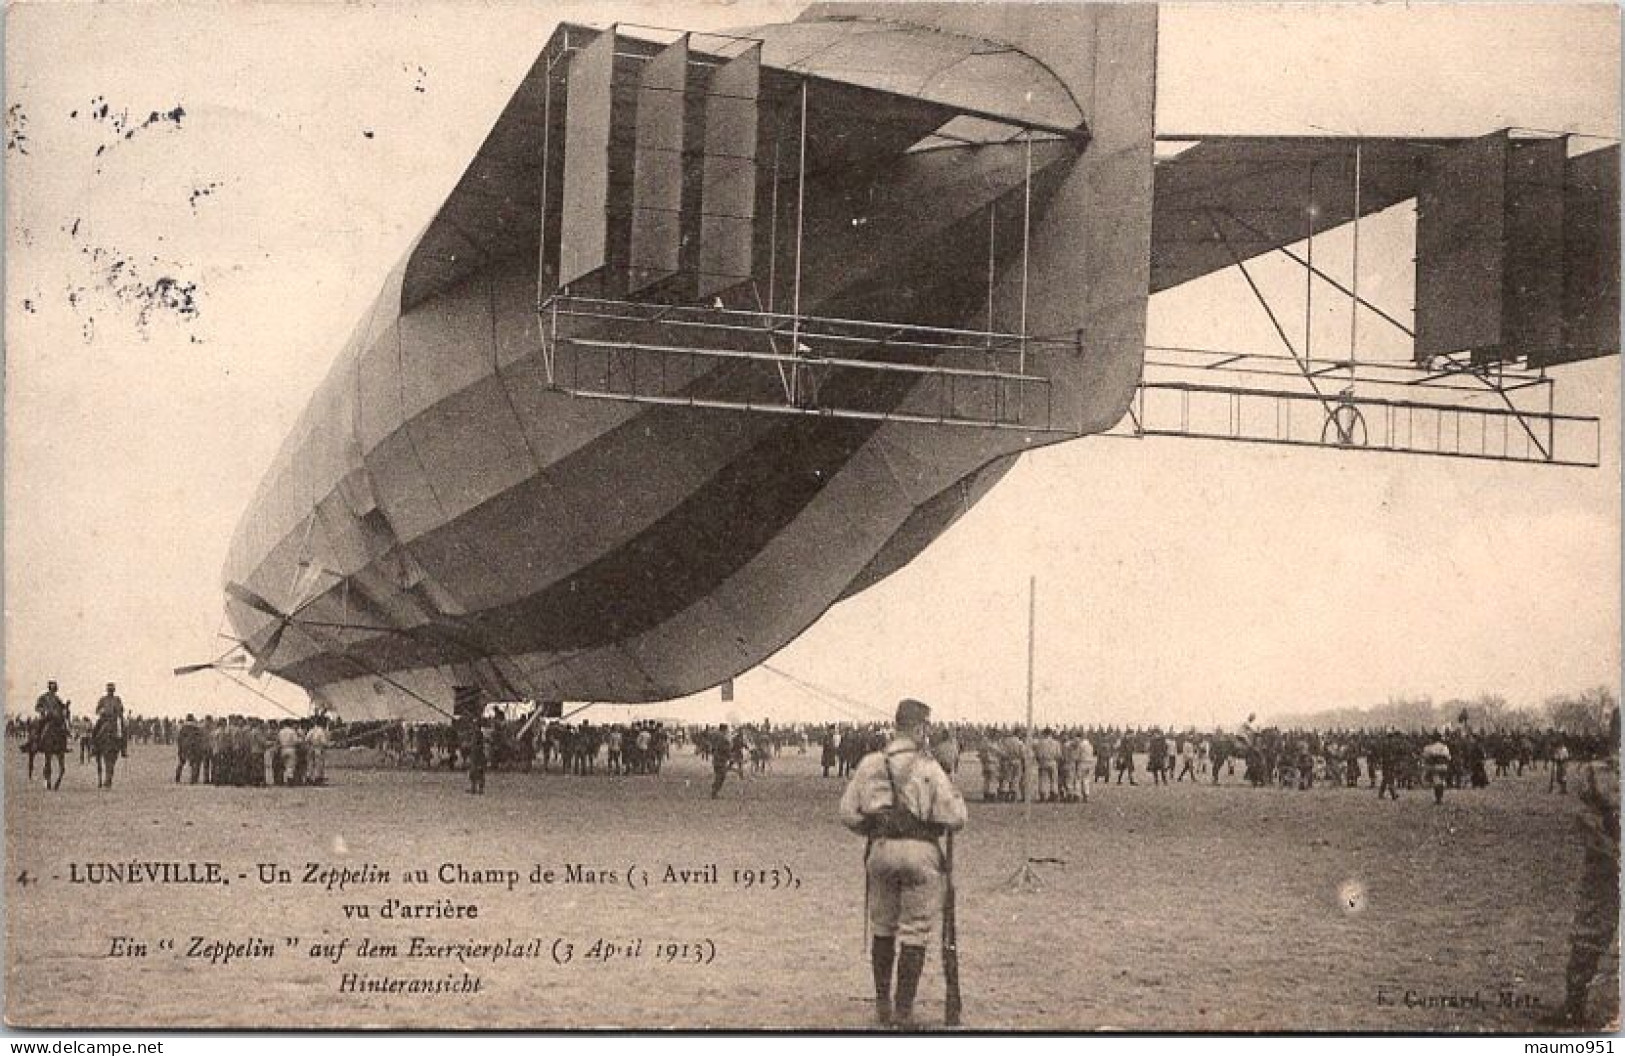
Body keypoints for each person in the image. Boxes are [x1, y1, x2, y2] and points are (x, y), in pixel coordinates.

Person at [840, 698, 967, 1028]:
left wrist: (873, 827)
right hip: (920, 852)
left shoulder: (871, 763)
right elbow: (956, 818)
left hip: (881, 850)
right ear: (920, 728)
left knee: (882, 927)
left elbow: (848, 813)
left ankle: (882, 1005)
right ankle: (904, 1011)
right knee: (915, 930)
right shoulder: (928, 767)